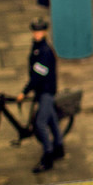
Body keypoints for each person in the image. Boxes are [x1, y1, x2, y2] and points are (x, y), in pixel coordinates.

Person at [17, 17, 64, 173]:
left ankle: (48, 156)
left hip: (45, 91)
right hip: (46, 89)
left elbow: (37, 76)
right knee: (52, 120)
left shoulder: (43, 51)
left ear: (44, 32)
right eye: (35, 31)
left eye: (39, 31)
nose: (37, 34)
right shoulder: (38, 46)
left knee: (40, 124)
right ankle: (59, 147)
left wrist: (24, 91)